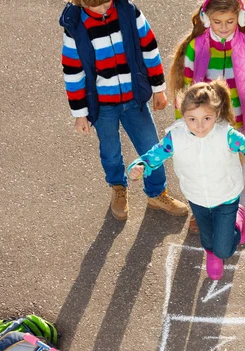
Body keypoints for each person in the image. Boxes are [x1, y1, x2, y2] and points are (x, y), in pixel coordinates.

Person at [127, 81, 245, 280]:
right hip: (197, 197)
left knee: (224, 249)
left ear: (216, 113)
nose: (199, 126)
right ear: (183, 115)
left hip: (226, 196)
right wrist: (140, 165)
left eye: (206, 118)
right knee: (207, 237)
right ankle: (211, 252)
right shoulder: (175, 137)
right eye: (192, 119)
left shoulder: (226, 134)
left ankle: (238, 222)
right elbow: (154, 155)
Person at [169, 0, 245, 233]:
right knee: (202, 167)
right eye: (217, 22)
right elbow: (184, 91)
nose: (223, 27)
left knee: (238, 168)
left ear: (242, 18)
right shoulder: (195, 47)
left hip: (239, 123)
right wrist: (181, 123)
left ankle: (241, 208)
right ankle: (202, 210)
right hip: (203, 125)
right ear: (206, 20)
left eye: (229, 21)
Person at [59, 0, 189, 220]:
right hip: (102, 105)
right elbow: (73, 73)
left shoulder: (128, 12)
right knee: (110, 152)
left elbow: (149, 49)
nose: (103, 10)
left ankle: (157, 192)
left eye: (106, 3)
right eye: (96, 7)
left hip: (134, 99)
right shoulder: (75, 26)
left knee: (151, 146)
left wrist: (158, 89)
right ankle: (118, 187)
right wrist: (80, 113)